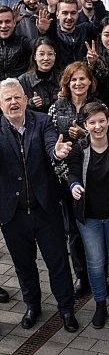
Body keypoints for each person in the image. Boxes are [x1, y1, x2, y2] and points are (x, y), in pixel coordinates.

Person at [0, 78, 78, 332]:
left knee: (58, 262)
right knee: (24, 265)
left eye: (17, 97)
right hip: (13, 214)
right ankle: (32, 306)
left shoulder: (42, 121)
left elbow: (51, 145)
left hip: (45, 209)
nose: (13, 102)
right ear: (0, 104)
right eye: (8, 99)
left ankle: (66, 309)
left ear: (25, 99)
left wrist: (57, 152)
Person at [67, 102, 109, 329]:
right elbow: (73, 173)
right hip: (89, 218)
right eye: (92, 122)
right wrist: (74, 185)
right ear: (85, 125)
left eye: (101, 121)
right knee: (95, 263)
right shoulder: (79, 148)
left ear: (108, 121)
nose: (98, 126)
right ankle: (100, 304)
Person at [49, 62, 100, 296]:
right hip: (65, 175)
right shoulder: (57, 107)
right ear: (67, 83)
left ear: (90, 81)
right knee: (73, 228)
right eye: (73, 79)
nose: (78, 83)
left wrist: (85, 134)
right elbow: (50, 140)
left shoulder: (97, 107)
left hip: (93, 174)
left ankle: (99, 274)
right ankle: (81, 275)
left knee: (95, 226)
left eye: (82, 78)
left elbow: (105, 138)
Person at [18, 36, 61, 113]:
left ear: (55, 56)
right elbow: (16, 104)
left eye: (50, 54)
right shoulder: (23, 80)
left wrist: (66, 98)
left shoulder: (62, 77)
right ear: (35, 56)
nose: (46, 58)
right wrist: (30, 103)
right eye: (41, 54)